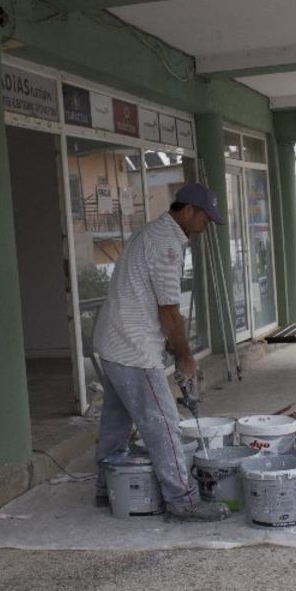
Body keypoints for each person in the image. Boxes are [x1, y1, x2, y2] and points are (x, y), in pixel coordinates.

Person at [93, 183, 229, 522]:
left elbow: (154, 304)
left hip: (111, 343)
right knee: (165, 424)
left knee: (115, 423)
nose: (205, 227)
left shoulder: (150, 233)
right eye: (204, 219)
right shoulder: (167, 244)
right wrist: (185, 357)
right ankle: (183, 500)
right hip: (133, 349)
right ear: (188, 211)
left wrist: (171, 343)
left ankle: (105, 488)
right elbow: (169, 311)